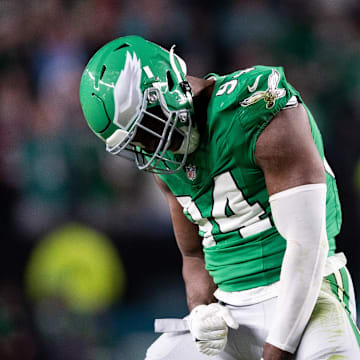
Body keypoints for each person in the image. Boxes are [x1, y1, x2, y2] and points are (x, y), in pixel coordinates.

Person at [79, 36, 360, 359]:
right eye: (136, 142)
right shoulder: (166, 160)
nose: (149, 146)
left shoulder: (257, 110)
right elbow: (194, 257)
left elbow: (308, 244)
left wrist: (277, 350)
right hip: (232, 308)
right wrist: (200, 310)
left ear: (168, 86)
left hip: (310, 290)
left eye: (147, 127)